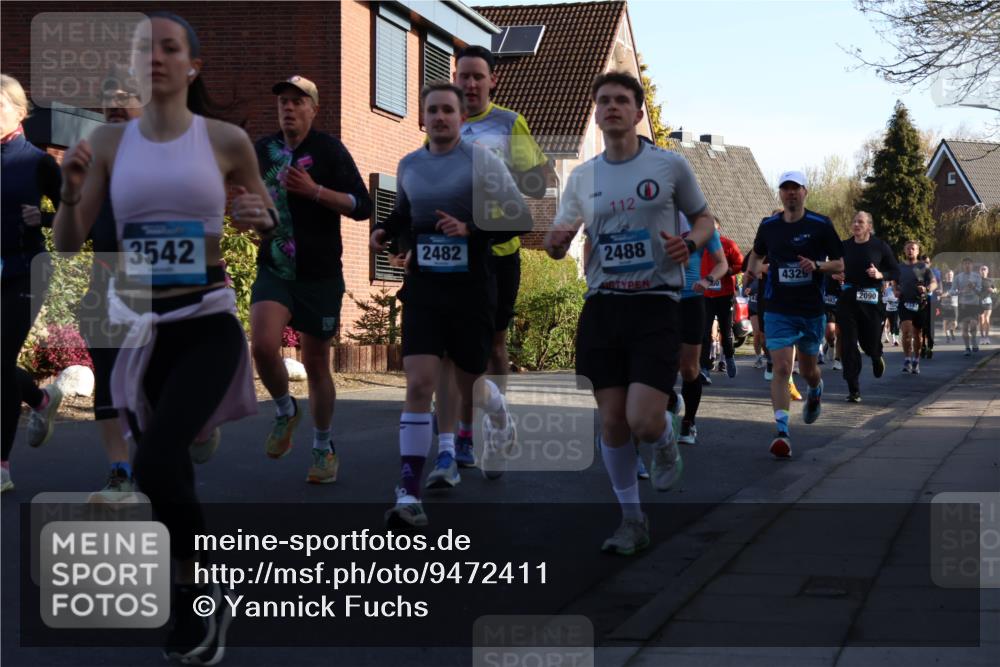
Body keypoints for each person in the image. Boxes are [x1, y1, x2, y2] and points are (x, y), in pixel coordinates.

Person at [53, 12, 276, 662]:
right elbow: (70, 244)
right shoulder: (110, 143)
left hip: (207, 321)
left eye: (168, 47)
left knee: (154, 462)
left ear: (192, 65)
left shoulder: (227, 140)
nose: (155, 57)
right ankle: (197, 592)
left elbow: (264, 223)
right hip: (142, 329)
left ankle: (191, 603)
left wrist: (257, 217)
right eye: (143, 48)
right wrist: (68, 195)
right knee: (167, 470)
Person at [545, 71, 714, 555]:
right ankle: (632, 521)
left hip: (655, 305)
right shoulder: (582, 176)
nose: (612, 107)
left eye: (622, 99)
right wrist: (556, 245)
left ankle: (663, 439)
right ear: (596, 113)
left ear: (638, 112)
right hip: (603, 306)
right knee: (613, 421)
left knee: (642, 418)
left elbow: (704, 220)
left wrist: (690, 242)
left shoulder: (669, 166)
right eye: (603, 101)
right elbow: (560, 236)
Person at [369, 81, 531, 527]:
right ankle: (408, 491)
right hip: (424, 288)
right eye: (432, 110)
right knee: (419, 383)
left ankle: (497, 413)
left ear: (462, 118)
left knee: (469, 382)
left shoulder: (481, 162)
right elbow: (406, 216)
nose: (440, 117)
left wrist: (472, 231)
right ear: (422, 119)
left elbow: (519, 218)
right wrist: (385, 231)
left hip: (472, 290)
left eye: (448, 110)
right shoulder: (409, 165)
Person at [432, 45, 551, 471]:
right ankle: (462, 433)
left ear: (492, 80)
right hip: (452, 254)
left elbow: (539, 182)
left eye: (478, 76)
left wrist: (514, 181)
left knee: (494, 346)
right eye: (463, 75)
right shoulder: (444, 120)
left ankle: (494, 422)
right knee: (452, 348)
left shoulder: (508, 123)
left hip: (498, 252)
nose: (469, 83)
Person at [251, 74, 372, 484]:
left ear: (312, 109)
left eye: (296, 101)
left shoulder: (329, 150)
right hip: (275, 267)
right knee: (263, 345)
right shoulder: (262, 150)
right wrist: (245, 215)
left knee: (317, 362)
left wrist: (315, 191)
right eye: (282, 100)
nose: (288, 107)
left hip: (319, 274)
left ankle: (323, 447)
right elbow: (243, 200)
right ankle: (286, 411)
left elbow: (362, 205)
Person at [745, 170, 844, 459]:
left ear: (805, 192)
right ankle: (782, 432)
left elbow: (839, 264)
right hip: (778, 308)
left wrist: (816, 265)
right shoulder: (769, 225)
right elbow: (756, 253)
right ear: (780, 193)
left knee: (809, 369)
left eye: (795, 188)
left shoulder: (820, 224)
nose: (790, 193)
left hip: (810, 309)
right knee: (781, 369)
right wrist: (752, 271)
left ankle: (816, 389)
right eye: (785, 188)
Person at [1, 73, 63, 494]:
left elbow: (76, 216)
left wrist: (42, 217)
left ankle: (2, 467)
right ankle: (40, 399)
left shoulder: (37, 162)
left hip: (26, 270)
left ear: (21, 112)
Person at [833, 211, 899, 402]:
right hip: (848, 297)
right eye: (854, 221)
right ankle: (853, 388)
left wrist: (880, 275)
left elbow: (895, 271)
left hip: (871, 298)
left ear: (869, 226)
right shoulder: (844, 246)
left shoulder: (880, 246)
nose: (856, 225)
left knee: (869, 343)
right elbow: (833, 267)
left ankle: (876, 354)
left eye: (860, 222)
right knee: (848, 342)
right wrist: (835, 274)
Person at [676, 214, 728, 445]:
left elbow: (722, 263)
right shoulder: (653, 216)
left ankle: (688, 422)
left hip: (691, 300)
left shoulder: (702, 224)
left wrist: (707, 280)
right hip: (660, 300)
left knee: (688, 368)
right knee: (659, 361)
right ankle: (669, 400)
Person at [698, 218, 743, 380]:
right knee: (704, 332)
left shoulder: (728, 245)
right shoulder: (700, 246)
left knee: (725, 330)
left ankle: (729, 358)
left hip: (724, 295)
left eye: (714, 229)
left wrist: (729, 270)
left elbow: (741, 264)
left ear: (719, 229)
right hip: (706, 295)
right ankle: (704, 367)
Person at [896, 240, 936, 374]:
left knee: (917, 335)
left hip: (920, 304)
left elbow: (934, 282)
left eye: (913, 249)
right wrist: (896, 290)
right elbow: (894, 282)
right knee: (906, 331)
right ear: (904, 250)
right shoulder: (899, 267)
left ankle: (916, 360)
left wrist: (926, 288)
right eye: (908, 248)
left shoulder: (923, 267)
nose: (910, 251)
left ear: (918, 251)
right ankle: (907, 359)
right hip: (904, 303)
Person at [954, 257, 983, 356]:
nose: (967, 265)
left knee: (974, 325)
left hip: (974, 304)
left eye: (969, 264)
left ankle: (974, 340)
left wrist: (973, 287)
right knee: (964, 328)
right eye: (965, 264)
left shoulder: (977, 276)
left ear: (972, 265)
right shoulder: (958, 277)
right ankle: (967, 348)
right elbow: (952, 291)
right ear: (962, 265)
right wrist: (961, 292)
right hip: (963, 305)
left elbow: (980, 292)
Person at [919, 254, 941, 359]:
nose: (925, 265)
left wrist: (939, 293)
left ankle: (930, 346)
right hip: (920, 302)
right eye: (923, 263)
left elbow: (939, 285)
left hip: (932, 302)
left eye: (927, 262)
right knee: (922, 325)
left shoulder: (935, 272)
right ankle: (922, 345)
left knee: (930, 325)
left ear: (930, 263)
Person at [940, 269, 958, 343]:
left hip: (954, 305)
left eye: (951, 275)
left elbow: (959, 292)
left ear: (953, 275)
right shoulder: (942, 283)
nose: (950, 276)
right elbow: (940, 294)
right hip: (944, 305)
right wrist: (944, 294)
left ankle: (951, 330)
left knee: (954, 322)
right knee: (945, 321)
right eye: (948, 274)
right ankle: (947, 336)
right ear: (946, 275)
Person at [979, 264, 995, 346]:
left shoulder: (990, 281)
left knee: (987, 319)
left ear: (987, 271)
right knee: (981, 319)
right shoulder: (977, 280)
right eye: (982, 269)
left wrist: (992, 290)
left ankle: (987, 337)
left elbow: (995, 289)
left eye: (985, 269)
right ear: (979, 271)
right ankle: (982, 338)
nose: (983, 270)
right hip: (979, 302)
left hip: (988, 301)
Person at [883, 281, 900, 346]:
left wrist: (896, 299)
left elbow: (901, 298)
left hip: (896, 309)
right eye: (892, 282)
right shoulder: (887, 289)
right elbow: (883, 298)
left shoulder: (899, 288)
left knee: (897, 323)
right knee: (892, 324)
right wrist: (888, 299)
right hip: (888, 310)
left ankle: (897, 340)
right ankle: (894, 340)